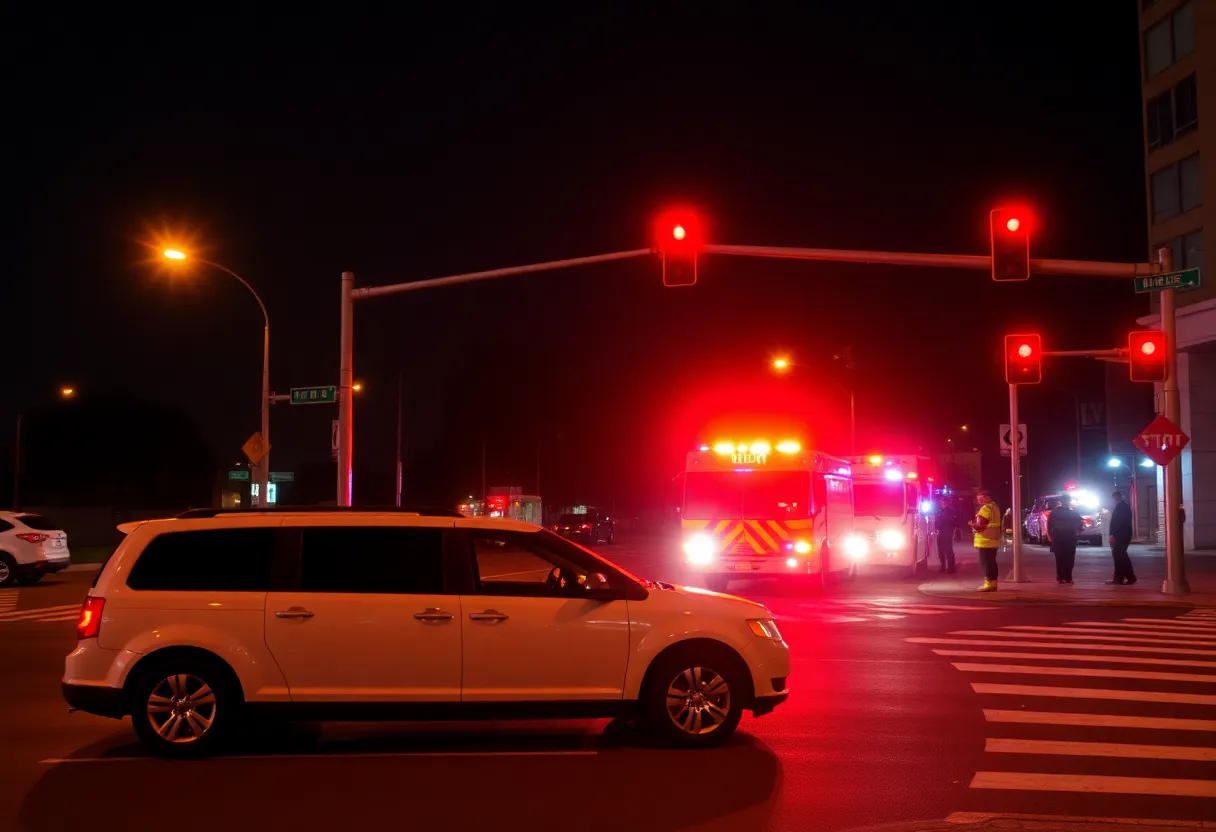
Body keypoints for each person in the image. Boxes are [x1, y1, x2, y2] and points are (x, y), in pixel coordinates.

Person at [968, 489, 1002, 591]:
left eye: (981, 498)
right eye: (978, 499)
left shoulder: (985, 508)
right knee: (992, 562)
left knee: (985, 563)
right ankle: (994, 583)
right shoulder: (995, 507)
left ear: (988, 497)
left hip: (984, 540)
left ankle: (988, 584)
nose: (979, 501)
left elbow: (980, 525)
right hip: (994, 540)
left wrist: (971, 524)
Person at [1047, 495, 1084, 584]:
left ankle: (1067, 577)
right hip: (1062, 537)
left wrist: (1077, 532)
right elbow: (1049, 524)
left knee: (1068, 558)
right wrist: (1050, 536)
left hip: (1068, 537)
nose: (1066, 502)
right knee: (1062, 558)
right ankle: (1063, 577)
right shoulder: (1059, 512)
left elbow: (1080, 524)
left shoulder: (1067, 512)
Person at [1107, 491, 1137, 585]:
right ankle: (1121, 578)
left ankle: (1127, 577)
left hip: (1121, 535)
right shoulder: (1121, 507)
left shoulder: (1122, 508)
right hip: (1122, 535)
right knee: (1120, 557)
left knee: (1120, 556)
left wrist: (1113, 534)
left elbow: (1120, 523)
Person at [937, 500, 958, 574]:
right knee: (941, 551)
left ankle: (951, 568)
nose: (941, 504)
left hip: (947, 532)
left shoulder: (950, 512)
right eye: (941, 502)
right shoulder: (940, 511)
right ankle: (943, 567)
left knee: (948, 550)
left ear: (947, 503)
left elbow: (951, 522)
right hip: (941, 532)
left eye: (943, 502)